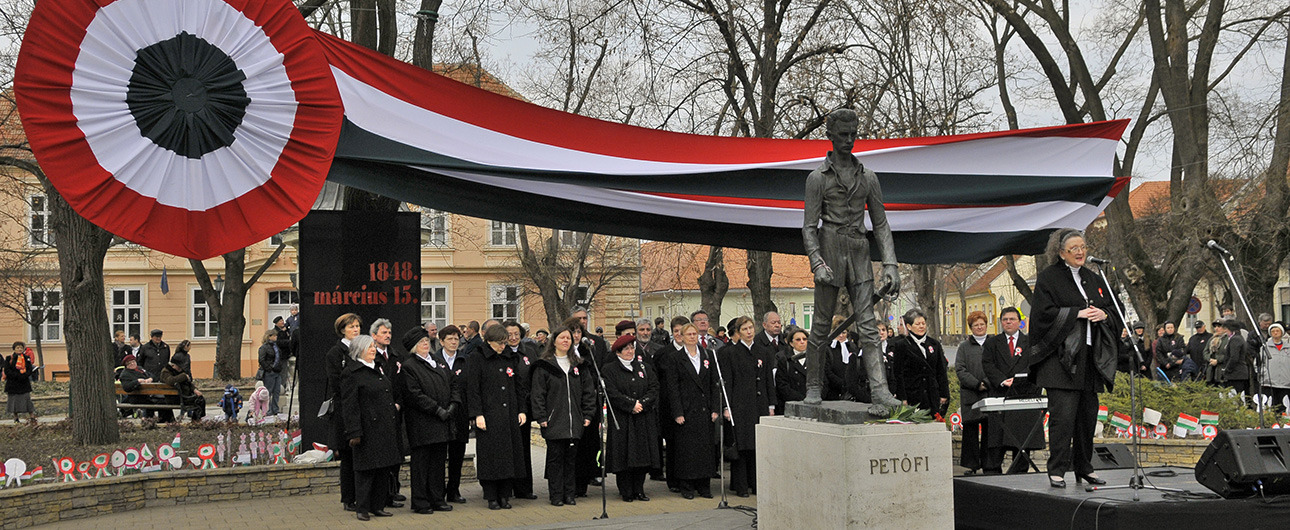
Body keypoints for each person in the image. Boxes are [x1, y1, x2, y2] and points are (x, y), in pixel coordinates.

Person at [801, 108, 901, 407]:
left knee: (868, 325)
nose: (849, 140)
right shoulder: (817, 178)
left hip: (859, 251)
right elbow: (809, 227)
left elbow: (881, 224)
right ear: (830, 136)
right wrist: (816, 262)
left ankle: (880, 390)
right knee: (821, 325)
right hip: (830, 248)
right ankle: (814, 386)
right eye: (843, 135)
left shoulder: (868, 177)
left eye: (853, 135)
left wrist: (890, 264)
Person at [1029, 229, 1119, 489]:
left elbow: (1115, 308)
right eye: (1074, 248)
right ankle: (1057, 470)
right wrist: (1076, 313)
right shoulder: (1049, 278)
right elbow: (1042, 315)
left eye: (1083, 247)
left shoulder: (1094, 278)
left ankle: (1084, 467)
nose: (1080, 252)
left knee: (1088, 417)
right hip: (1060, 361)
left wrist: (1104, 314)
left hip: (1090, 358)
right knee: (1063, 418)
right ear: (1061, 253)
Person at [531, 325, 595, 506]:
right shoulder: (544, 366)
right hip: (554, 421)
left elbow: (588, 392)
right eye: (562, 338)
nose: (566, 340)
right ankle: (556, 495)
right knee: (555, 460)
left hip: (575, 421)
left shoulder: (579, 365)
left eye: (569, 338)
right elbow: (538, 394)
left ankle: (569, 494)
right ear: (554, 341)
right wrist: (541, 417)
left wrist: (588, 414)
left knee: (571, 460)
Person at [466, 324, 528, 510]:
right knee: (491, 457)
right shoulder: (477, 358)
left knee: (509, 456)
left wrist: (522, 410)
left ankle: (505, 495)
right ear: (489, 342)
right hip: (489, 415)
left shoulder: (510, 357)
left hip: (509, 414)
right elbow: (473, 389)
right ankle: (491, 495)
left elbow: (518, 386)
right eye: (499, 343)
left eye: (504, 343)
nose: (503, 347)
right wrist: (477, 414)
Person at [341, 335, 402, 521]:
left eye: (374, 346)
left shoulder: (377, 368)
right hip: (367, 429)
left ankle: (378, 506)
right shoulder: (352, 372)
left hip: (385, 427)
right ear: (359, 350)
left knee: (383, 468)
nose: (373, 349)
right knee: (366, 471)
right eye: (369, 347)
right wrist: (354, 431)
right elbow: (349, 405)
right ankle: (362, 508)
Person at [400, 328, 457, 515]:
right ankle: (421, 502)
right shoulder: (409, 366)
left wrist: (453, 405)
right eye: (421, 342)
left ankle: (437, 499)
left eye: (426, 340)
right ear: (413, 347)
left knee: (438, 464)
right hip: (422, 424)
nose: (425, 344)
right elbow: (414, 395)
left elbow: (453, 383)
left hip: (442, 422)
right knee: (421, 465)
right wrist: (436, 409)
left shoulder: (438, 361)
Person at [661, 323, 719, 499]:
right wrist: (678, 412)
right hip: (686, 411)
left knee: (705, 450)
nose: (692, 337)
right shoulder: (675, 358)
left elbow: (714, 384)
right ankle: (687, 486)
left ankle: (704, 486)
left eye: (695, 334)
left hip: (704, 410)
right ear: (682, 337)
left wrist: (715, 408)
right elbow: (672, 388)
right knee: (687, 451)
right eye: (689, 334)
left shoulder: (708, 355)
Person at [982, 307, 1042, 474]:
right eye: (1005, 319)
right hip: (1000, 394)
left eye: (1012, 319)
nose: (1008, 322)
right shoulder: (992, 343)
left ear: (1019, 322)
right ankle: (993, 472)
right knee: (997, 439)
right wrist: (1002, 380)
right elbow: (987, 364)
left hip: (1022, 396)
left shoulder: (1029, 342)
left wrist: (1019, 380)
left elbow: (1034, 365)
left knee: (1020, 439)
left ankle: (1019, 473)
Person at [603, 334, 660, 503]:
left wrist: (642, 403)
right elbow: (612, 393)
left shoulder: (643, 367)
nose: (630, 351)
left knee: (642, 454)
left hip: (643, 417)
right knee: (624, 455)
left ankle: (639, 489)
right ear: (618, 352)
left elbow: (654, 387)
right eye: (626, 349)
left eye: (631, 348)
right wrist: (631, 404)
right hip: (622, 419)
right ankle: (626, 490)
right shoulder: (609, 369)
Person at [716, 316, 769, 497]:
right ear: (738, 332)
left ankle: (755, 483)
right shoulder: (730, 353)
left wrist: (770, 404)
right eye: (745, 329)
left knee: (756, 446)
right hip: (739, 405)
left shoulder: (762, 351)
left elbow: (767, 381)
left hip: (758, 405)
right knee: (741, 446)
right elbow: (727, 382)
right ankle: (740, 486)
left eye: (751, 328)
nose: (749, 332)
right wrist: (726, 407)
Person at [325, 313, 364, 512]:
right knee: (348, 457)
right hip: (345, 411)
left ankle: (365, 496)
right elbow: (336, 383)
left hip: (364, 409)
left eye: (357, 326)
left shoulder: (364, 349)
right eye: (351, 327)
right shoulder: (336, 353)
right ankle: (349, 498)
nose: (355, 330)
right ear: (342, 330)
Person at [503, 320, 539, 501]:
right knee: (507, 448)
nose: (513, 337)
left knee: (524, 448)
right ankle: (506, 487)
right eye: (509, 334)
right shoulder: (501, 353)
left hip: (525, 407)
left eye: (516, 334)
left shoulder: (530, 351)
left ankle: (524, 488)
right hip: (506, 407)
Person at [890, 309, 949, 416]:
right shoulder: (901, 345)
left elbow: (941, 370)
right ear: (909, 326)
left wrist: (944, 394)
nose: (921, 326)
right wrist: (902, 398)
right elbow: (898, 373)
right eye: (917, 324)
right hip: (913, 395)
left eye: (923, 323)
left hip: (932, 394)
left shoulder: (934, 344)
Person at [436, 325, 470, 504]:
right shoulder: (434, 360)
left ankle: (453, 490)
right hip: (440, 414)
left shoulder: (465, 360)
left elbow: (470, 388)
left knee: (457, 455)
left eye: (456, 338)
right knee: (440, 456)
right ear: (441, 341)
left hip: (460, 414)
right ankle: (438, 491)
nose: (454, 342)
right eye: (450, 339)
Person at [955, 312, 991, 475]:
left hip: (990, 393)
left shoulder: (993, 344)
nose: (979, 327)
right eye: (976, 325)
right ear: (971, 327)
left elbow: (998, 366)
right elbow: (960, 369)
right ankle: (971, 465)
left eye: (982, 324)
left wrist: (987, 383)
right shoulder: (964, 347)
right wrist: (977, 384)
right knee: (970, 431)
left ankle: (989, 464)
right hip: (970, 394)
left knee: (990, 431)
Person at [158, 341, 204, 422]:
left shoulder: (178, 370)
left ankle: (197, 419)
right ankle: (196, 420)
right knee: (198, 401)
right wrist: (183, 376)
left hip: (181, 395)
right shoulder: (166, 371)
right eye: (179, 367)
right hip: (174, 398)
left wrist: (194, 389)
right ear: (173, 365)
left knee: (200, 399)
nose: (180, 369)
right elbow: (170, 380)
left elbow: (187, 382)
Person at [751, 311, 786, 412]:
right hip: (765, 390)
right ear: (764, 325)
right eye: (773, 323)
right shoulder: (756, 342)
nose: (777, 325)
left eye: (779, 322)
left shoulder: (786, 341)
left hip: (783, 390)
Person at [138, 329, 173, 422]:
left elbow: (167, 360)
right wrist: (145, 373)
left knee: (162, 397)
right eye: (156, 337)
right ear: (152, 337)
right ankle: (148, 417)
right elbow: (140, 362)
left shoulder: (165, 347)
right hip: (149, 376)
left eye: (160, 337)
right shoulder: (145, 347)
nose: (158, 339)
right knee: (149, 397)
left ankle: (163, 418)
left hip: (162, 376)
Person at [824, 315, 857, 400]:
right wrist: (842, 383)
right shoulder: (828, 348)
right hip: (832, 391)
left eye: (844, 333)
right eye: (838, 333)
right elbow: (827, 370)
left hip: (850, 391)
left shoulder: (852, 347)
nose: (841, 336)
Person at [4, 342, 38, 425]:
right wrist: (16, 375)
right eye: (17, 348)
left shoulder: (26, 358)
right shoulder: (9, 358)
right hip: (13, 384)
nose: (19, 349)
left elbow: (29, 369)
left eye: (21, 348)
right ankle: (16, 418)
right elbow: (7, 370)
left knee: (27, 400)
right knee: (14, 401)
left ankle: (32, 417)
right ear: (14, 349)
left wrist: (24, 375)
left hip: (24, 383)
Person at [776, 329, 810, 405]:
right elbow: (782, 385)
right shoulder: (785, 360)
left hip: (813, 402)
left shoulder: (815, 359)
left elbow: (823, 381)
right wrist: (800, 398)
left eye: (804, 339)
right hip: (793, 403)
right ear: (791, 343)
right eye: (798, 340)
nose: (802, 342)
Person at [258, 328, 285, 416]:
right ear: (269, 337)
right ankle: (268, 409)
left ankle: (275, 409)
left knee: (277, 391)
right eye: (274, 336)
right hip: (269, 372)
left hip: (277, 371)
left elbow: (279, 357)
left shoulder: (276, 346)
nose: (276, 337)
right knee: (268, 391)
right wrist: (269, 368)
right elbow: (261, 360)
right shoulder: (264, 347)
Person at [1262, 323, 1289, 413]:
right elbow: (1258, 363)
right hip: (1269, 383)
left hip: (1285, 383)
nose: (1275, 333)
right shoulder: (1265, 347)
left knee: (1284, 407)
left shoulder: (1288, 347)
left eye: (1277, 331)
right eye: (1273, 331)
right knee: (1270, 407)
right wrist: (1265, 375)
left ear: (1282, 333)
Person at [1204, 321, 1231, 387]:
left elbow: (1229, 355)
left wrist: (1217, 360)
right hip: (1210, 371)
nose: (1216, 328)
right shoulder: (1212, 339)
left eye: (1219, 326)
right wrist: (1209, 359)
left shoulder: (1228, 339)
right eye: (1215, 327)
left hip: (1222, 371)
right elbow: (1205, 352)